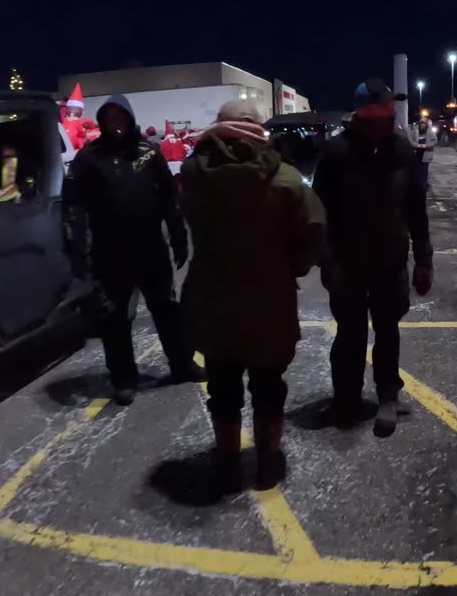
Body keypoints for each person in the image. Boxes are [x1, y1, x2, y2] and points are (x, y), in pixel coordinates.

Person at [181, 100, 327, 490]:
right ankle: (265, 464)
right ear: (258, 129)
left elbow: (189, 217)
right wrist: (291, 265)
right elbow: (313, 232)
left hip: (214, 300)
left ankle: (227, 463)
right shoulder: (286, 179)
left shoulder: (194, 174)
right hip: (269, 301)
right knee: (268, 386)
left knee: (223, 387)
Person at [313, 78, 433, 437]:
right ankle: (346, 399)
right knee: (349, 334)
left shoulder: (401, 152)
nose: (390, 114)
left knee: (387, 332)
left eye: (391, 108)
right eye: (384, 107)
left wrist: (424, 258)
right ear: (365, 112)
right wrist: (326, 261)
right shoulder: (336, 153)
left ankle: (387, 397)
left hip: (390, 261)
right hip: (347, 265)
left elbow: (416, 208)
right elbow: (319, 213)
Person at [68, 94, 205, 405]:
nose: (115, 123)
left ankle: (182, 364)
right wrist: (77, 251)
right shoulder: (89, 158)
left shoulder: (147, 153)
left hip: (151, 249)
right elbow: (73, 207)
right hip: (109, 253)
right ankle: (124, 378)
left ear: (129, 119)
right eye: (109, 117)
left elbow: (170, 197)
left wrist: (179, 235)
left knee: (167, 310)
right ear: (102, 121)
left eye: (121, 117)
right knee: (114, 318)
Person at [414, 112, 435, 190]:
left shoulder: (430, 132)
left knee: (424, 170)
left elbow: (433, 142)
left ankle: (424, 184)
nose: (422, 124)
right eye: (421, 123)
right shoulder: (416, 131)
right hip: (417, 154)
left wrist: (426, 145)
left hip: (426, 154)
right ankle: (418, 184)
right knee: (418, 170)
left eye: (424, 123)